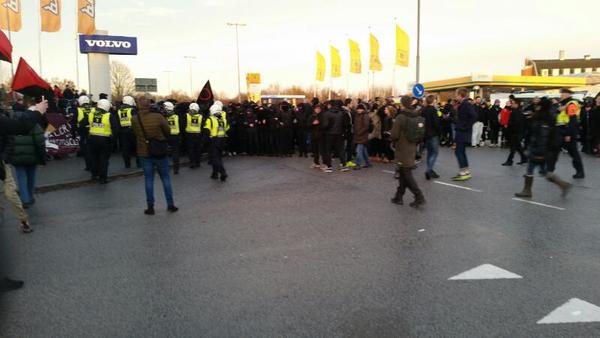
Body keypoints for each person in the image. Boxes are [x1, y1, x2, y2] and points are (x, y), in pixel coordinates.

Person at [515, 98, 571, 198]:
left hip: (539, 149)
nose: (536, 107)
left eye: (538, 105)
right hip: (540, 148)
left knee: (530, 169)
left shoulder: (544, 120)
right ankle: (563, 185)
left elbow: (543, 137)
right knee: (544, 172)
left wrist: (539, 152)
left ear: (542, 107)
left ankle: (527, 191)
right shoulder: (543, 117)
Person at [131, 101, 178, 215]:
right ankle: (170, 204)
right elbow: (168, 131)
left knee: (148, 180)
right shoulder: (159, 117)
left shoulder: (134, 119)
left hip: (144, 153)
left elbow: (136, 133)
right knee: (165, 178)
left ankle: (150, 207)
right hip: (160, 151)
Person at [6, 96, 48, 208]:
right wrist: (43, 155)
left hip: (17, 155)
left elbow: (9, 140)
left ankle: (24, 199)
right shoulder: (34, 125)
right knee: (31, 176)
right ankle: (30, 196)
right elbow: (40, 140)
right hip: (32, 155)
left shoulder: (12, 123)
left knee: (21, 176)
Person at [1, 110, 38, 234]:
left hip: (1, 164)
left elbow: (10, 140)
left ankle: (23, 221)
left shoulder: (3, 121)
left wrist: (4, 159)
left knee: (10, 193)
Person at [390, 96, 425, 208]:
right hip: (412, 146)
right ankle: (398, 196)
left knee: (406, 173)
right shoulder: (416, 114)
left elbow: (394, 134)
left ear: (402, 104)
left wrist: (391, 137)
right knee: (403, 173)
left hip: (402, 148)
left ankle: (419, 197)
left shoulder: (401, 117)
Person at [80, 99, 118, 184]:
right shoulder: (109, 115)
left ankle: (94, 175)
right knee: (104, 159)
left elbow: (82, 124)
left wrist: (86, 134)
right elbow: (115, 129)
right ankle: (103, 178)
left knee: (94, 158)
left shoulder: (90, 114)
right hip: (105, 140)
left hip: (92, 139)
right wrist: (113, 139)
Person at [555, 88, 585, 179]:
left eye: (562, 93)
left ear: (568, 94)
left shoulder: (571, 104)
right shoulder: (563, 104)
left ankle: (580, 172)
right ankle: (548, 169)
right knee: (554, 149)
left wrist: (568, 134)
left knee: (573, 152)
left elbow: (573, 120)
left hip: (568, 130)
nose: (561, 95)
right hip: (561, 130)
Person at [452, 88, 478, 181]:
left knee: (458, 152)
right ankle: (466, 171)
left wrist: (465, 126)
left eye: (456, 94)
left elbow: (474, 116)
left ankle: (463, 172)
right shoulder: (463, 104)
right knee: (461, 151)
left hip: (462, 132)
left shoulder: (466, 104)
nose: (455, 96)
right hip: (462, 131)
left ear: (460, 95)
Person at [321, 100, 348, 173]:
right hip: (339, 134)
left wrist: (324, 129)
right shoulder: (342, 113)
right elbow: (345, 124)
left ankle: (329, 166)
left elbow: (325, 125)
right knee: (341, 149)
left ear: (331, 105)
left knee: (328, 150)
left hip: (329, 134)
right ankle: (343, 165)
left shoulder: (326, 113)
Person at [205, 103, 230, 181]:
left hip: (214, 140)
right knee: (218, 157)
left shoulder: (210, 119)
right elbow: (228, 128)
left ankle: (223, 172)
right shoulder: (224, 119)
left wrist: (205, 141)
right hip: (222, 140)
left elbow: (206, 131)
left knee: (215, 158)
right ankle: (214, 174)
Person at [502, 98, 527, 166]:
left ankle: (510, 161)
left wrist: (508, 125)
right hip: (517, 132)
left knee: (513, 148)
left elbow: (516, 123)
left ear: (516, 104)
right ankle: (524, 158)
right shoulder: (517, 111)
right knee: (518, 147)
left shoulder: (516, 112)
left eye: (512, 103)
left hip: (515, 133)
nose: (511, 104)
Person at [422, 94, 441, 179]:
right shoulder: (433, 110)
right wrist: (440, 132)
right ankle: (429, 170)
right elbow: (436, 123)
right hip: (433, 134)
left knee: (430, 153)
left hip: (425, 134)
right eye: (435, 100)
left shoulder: (424, 110)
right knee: (435, 152)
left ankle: (430, 170)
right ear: (433, 101)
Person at [116, 96, 138, 169]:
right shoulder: (132, 110)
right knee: (136, 147)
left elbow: (117, 122)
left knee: (125, 149)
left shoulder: (119, 110)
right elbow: (136, 121)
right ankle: (139, 163)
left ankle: (127, 164)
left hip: (122, 131)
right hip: (132, 131)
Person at [75, 95, 94, 171]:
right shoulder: (93, 109)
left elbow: (74, 122)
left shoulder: (78, 110)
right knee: (92, 150)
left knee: (86, 151)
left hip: (83, 132)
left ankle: (89, 166)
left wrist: (74, 131)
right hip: (93, 131)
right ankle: (93, 165)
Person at [184, 102, 203, 169]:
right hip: (198, 135)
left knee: (191, 149)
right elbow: (202, 126)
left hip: (189, 135)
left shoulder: (186, 115)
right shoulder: (200, 116)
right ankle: (198, 162)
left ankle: (192, 163)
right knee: (197, 149)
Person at [352, 103, 371, 169]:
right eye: (358, 109)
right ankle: (368, 163)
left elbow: (366, 126)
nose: (359, 110)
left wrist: (359, 132)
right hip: (358, 135)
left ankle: (358, 164)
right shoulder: (357, 115)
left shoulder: (365, 115)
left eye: (360, 109)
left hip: (362, 135)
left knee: (358, 150)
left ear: (363, 109)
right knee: (363, 150)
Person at [166, 102, 183, 174]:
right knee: (175, 153)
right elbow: (181, 127)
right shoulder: (177, 116)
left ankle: (165, 168)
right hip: (175, 136)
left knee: (165, 153)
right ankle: (176, 169)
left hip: (166, 136)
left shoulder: (163, 116)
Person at [309, 104, 324, 169]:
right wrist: (312, 123)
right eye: (316, 108)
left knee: (322, 150)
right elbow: (307, 125)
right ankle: (316, 163)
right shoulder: (312, 116)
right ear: (314, 109)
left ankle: (324, 163)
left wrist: (320, 124)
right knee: (315, 150)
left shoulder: (323, 116)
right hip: (314, 135)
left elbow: (325, 125)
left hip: (321, 136)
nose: (317, 110)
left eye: (319, 109)